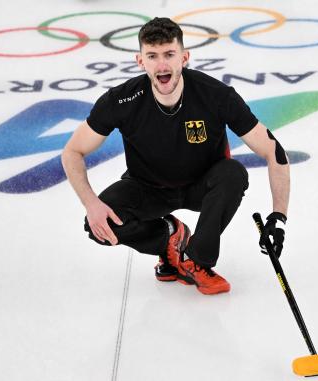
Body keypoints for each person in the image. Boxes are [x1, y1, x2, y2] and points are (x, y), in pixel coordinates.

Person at [61, 17, 290, 295]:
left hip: (201, 187)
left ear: (184, 57)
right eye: (152, 56)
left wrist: (278, 218)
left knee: (233, 174)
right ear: (140, 61)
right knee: (97, 225)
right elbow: (73, 151)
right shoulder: (121, 101)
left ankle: (196, 261)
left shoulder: (216, 95)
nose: (162, 65)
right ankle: (168, 238)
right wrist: (90, 203)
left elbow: (272, 150)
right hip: (148, 189)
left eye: (169, 54)